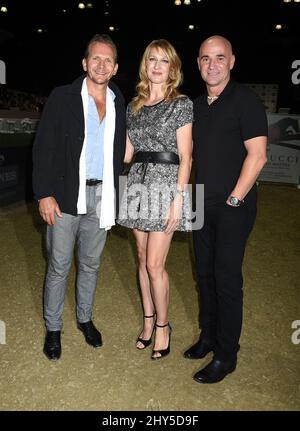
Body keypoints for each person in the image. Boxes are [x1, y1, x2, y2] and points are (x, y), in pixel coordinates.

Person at [32, 34, 126, 361]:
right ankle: (53, 327)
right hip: (64, 194)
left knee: (90, 263)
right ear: (85, 63)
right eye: (95, 59)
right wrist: (44, 194)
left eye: (108, 60)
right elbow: (43, 148)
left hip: (102, 196)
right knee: (59, 265)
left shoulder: (118, 100)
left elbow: (119, 150)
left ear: (115, 68)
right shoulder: (62, 97)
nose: (101, 64)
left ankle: (85, 318)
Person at [184, 35, 268, 383]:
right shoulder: (197, 105)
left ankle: (226, 355)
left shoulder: (245, 100)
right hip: (201, 203)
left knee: (226, 279)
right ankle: (208, 336)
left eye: (219, 58)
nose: (212, 64)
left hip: (234, 205)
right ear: (199, 64)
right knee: (204, 274)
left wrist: (235, 198)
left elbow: (258, 155)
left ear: (231, 61)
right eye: (205, 58)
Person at [117, 39, 193, 360]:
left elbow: (186, 157)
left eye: (163, 61)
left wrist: (179, 199)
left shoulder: (182, 104)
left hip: (166, 187)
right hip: (136, 183)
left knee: (154, 264)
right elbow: (126, 154)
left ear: (172, 67)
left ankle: (164, 325)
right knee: (140, 257)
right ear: (145, 65)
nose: (157, 66)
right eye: (152, 60)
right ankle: (148, 321)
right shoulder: (133, 106)